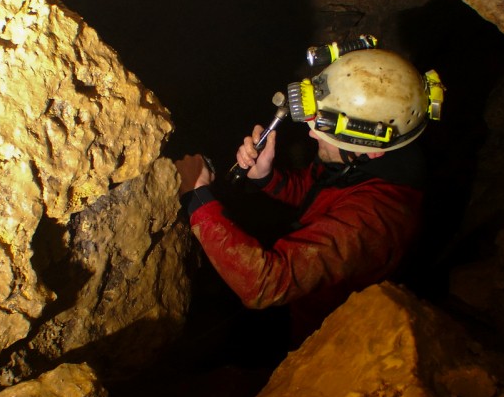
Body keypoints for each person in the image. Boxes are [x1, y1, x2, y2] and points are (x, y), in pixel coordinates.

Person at [174, 48, 442, 346]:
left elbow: (263, 284)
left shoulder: (373, 221)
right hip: (300, 300)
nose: (313, 134)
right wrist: (266, 177)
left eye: (325, 131)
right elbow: (318, 191)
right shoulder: (363, 157)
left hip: (321, 338)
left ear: (372, 149)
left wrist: (196, 195)